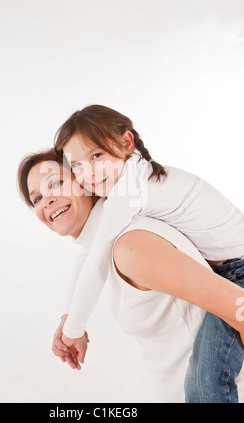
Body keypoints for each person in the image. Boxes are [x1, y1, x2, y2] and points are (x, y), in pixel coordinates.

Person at [17, 148, 244, 403]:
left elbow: (240, 308)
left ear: (85, 180)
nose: (46, 200)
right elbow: (86, 259)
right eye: (36, 198)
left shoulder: (131, 245)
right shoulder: (105, 243)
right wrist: (71, 320)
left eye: (56, 183)